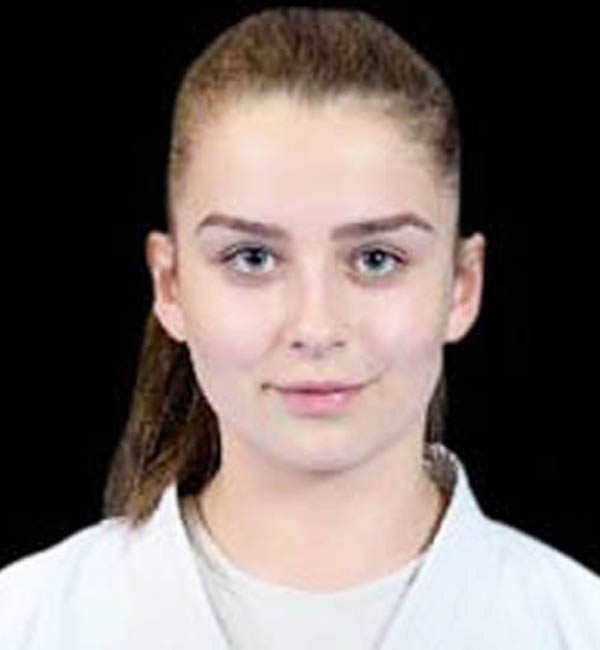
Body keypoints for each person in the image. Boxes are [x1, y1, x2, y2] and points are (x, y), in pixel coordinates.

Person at [1, 7, 598, 649]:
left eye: (377, 259)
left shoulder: (576, 623)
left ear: (462, 286)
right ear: (170, 285)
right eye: (252, 258)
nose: (315, 327)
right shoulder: (29, 620)